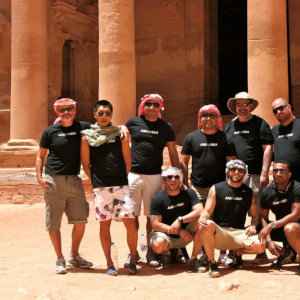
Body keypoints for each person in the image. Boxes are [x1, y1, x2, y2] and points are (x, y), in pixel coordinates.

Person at [81, 100, 138, 275]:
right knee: (104, 225)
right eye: (100, 113)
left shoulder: (120, 134)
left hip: (121, 185)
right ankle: (109, 264)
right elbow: (85, 162)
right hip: (101, 187)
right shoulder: (86, 137)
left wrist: (121, 176)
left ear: (111, 115)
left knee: (130, 223)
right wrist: (95, 181)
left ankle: (133, 258)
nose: (104, 116)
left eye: (107, 113)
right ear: (94, 115)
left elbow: (127, 159)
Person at [36, 98, 92, 274]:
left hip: (74, 180)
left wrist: (121, 128)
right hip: (53, 179)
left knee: (81, 220)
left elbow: (103, 129)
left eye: (69, 109)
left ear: (75, 110)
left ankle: (74, 255)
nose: (66, 112)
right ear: (57, 112)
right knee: (53, 222)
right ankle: (60, 258)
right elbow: (40, 155)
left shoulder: (83, 127)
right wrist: (39, 176)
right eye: (62, 110)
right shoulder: (50, 132)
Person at [126, 93, 180, 266]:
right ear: (143, 106)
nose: (152, 108)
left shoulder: (166, 127)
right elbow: (122, 143)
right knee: (131, 216)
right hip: (134, 175)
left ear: (160, 108)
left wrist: (178, 174)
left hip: (155, 176)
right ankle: (133, 253)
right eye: (148, 104)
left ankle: (151, 252)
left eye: (155, 105)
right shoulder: (132, 123)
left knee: (152, 217)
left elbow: (172, 152)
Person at [225, 91, 273, 262]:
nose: (242, 108)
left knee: (258, 212)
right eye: (239, 105)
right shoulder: (230, 126)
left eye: (246, 104)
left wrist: (265, 172)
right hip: (237, 176)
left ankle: (260, 250)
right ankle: (234, 251)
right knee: (235, 210)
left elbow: (267, 148)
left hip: (255, 174)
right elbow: (229, 152)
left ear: (251, 106)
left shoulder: (260, 123)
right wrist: (234, 172)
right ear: (235, 107)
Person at [199, 160, 265, 276]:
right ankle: (212, 262)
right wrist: (203, 218)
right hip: (220, 232)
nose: (236, 172)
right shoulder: (216, 188)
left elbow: (255, 215)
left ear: (245, 173)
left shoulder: (249, 192)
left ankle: (236, 253)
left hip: (238, 233)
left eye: (240, 170)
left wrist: (253, 225)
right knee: (207, 225)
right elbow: (207, 211)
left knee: (260, 246)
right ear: (228, 172)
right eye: (233, 169)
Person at [149, 167, 203, 272]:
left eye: (176, 177)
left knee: (203, 222)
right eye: (169, 177)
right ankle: (168, 252)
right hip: (168, 236)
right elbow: (155, 224)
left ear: (180, 179)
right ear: (164, 180)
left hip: (188, 234)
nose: (173, 180)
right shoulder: (158, 198)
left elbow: (200, 210)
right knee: (158, 243)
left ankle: (194, 258)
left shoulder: (189, 193)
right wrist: (179, 231)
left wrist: (180, 220)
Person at [181, 104, 236, 202]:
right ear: (200, 119)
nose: (208, 118)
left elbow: (231, 162)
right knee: (199, 215)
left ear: (218, 118)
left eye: (212, 115)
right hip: (197, 188)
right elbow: (184, 163)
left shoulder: (225, 138)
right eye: (204, 115)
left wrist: (230, 183)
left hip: (219, 187)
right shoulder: (191, 137)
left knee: (217, 216)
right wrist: (185, 183)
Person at [259, 161, 300, 271]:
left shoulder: (297, 187)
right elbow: (263, 217)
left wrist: (272, 225)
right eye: (275, 171)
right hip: (282, 228)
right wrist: (268, 240)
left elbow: (296, 215)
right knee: (258, 231)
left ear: (289, 174)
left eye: (282, 171)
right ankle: (288, 252)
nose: (278, 173)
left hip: (296, 227)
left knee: (290, 228)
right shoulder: (267, 192)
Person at [272, 98, 300, 182]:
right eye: (275, 111)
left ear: (289, 107)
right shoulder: (274, 130)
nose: (278, 112)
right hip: (281, 181)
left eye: (281, 108)